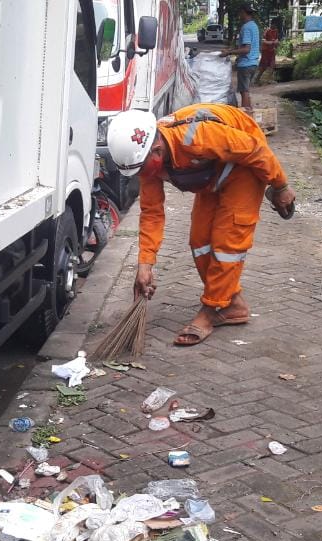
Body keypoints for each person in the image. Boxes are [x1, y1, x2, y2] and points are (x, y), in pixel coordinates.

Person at [105, 105, 296, 346]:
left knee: (227, 244)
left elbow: (255, 151)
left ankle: (212, 310)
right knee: (200, 241)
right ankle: (232, 304)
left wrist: (280, 186)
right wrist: (145, 265)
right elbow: (152, 214)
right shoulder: (146, 161)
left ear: (157, 149)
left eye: (142, 169)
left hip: (245, 167)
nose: (142, 175)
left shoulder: (199, 136)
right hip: (213, 176)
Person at [221, 5, 260, 111]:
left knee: (244, 91)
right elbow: (244, 46)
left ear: (243, 12)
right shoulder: (254, 26)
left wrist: (229, 52)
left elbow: (246, 49)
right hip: (253, 63)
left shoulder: (246, 27)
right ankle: (249, 113)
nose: (239, 15)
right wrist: (231, 50)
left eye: (240, 13)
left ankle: (245, 117)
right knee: (246, 90)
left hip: (246, 64)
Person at [258, 17, 280, 83]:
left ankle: (268, 79)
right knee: (263, 66)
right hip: (265, 50)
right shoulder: (267, 30)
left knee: (272, 65)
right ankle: (257, 78)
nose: (275, 26)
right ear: (272, 24)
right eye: (275, 25)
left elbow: (276, 39)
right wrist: (270, 42)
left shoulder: (276, 31)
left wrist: (276, 42)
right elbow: (263, 40)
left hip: (272, 50)